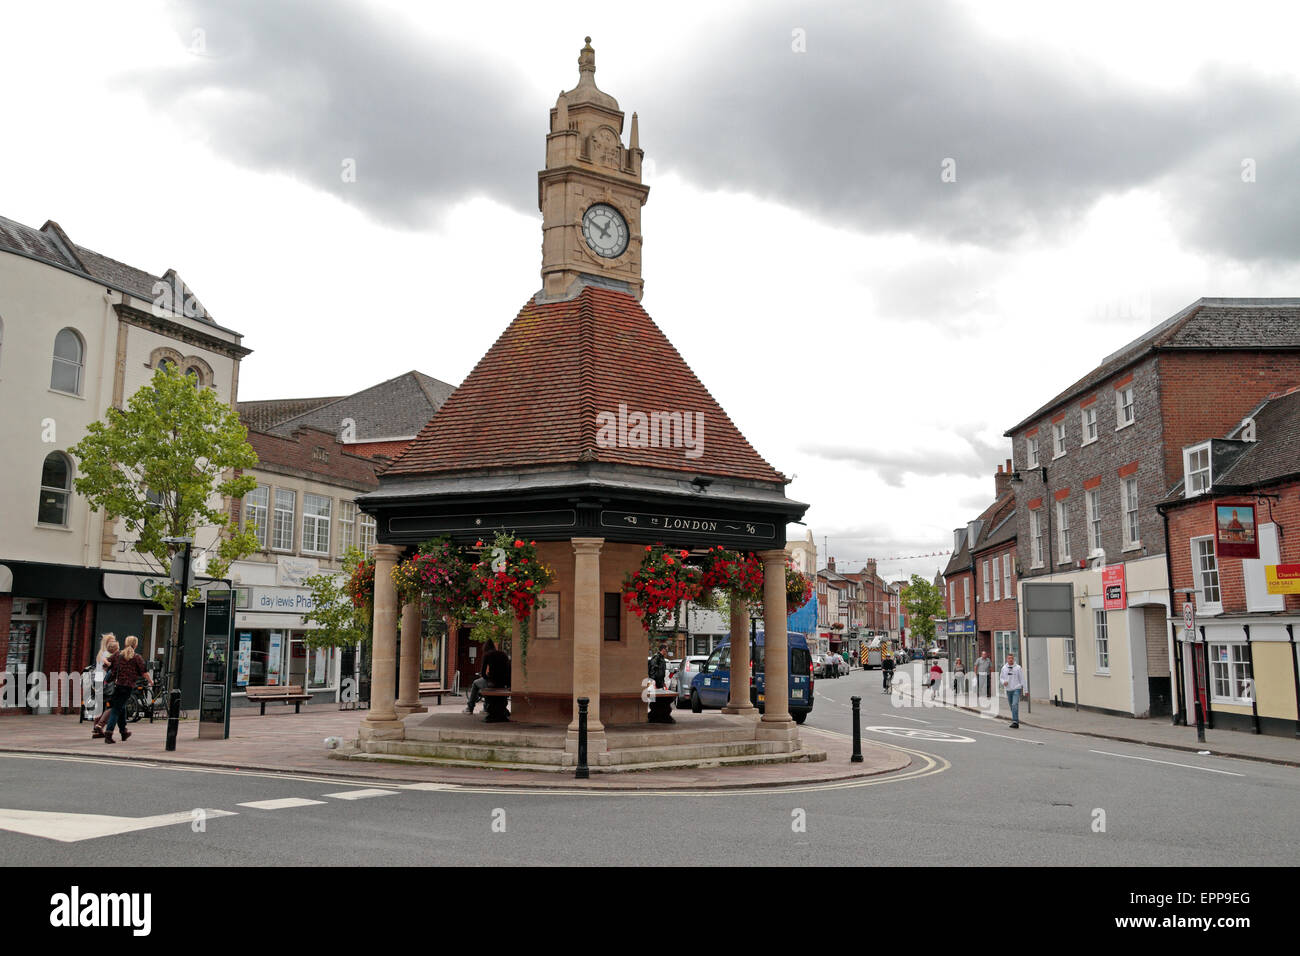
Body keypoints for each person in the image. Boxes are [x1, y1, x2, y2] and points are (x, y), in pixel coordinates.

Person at [104, 636, 149, 744]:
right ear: (136, 645)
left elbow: (105, 664)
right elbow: (144, 672)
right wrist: (151, 681)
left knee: (121, 708)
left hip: (116, 686)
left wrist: (111, 669)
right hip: (127, 687)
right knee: (116, 710)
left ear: (125, 643)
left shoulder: (118, 655)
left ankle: (123, 732)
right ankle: (108, 733)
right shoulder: (136, 657)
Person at [91, 633, 118, 738]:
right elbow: (108, 666)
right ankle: (99, 725)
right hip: (105, 682)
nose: (114, 643)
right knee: (112, 705)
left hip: (97, 681)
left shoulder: (101, 653)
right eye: (112, 641)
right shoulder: (107, 654)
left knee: (100, 706)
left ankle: (96, 729)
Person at [464, 639, 496, 714]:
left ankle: (470, 707)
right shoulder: (501, 654)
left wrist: (487, 677)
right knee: (485, 685)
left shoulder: (487, 655)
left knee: (476, 683)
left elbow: (483, 673)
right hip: (502, 682)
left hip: (492, 681)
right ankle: (486, 707)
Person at [1000, 653, 1026, 728]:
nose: (1010, 659)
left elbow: (1022, 679)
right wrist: (1003, 682)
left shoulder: (1018, 668)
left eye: (1011, 658)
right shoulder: (1004, 668)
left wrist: (1025, 690)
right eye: (1009, 658)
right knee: (1012, 706)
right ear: (1007, 659)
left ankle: (1015, 721)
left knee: (1015, 704)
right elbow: (1001, 678)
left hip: (1016, 689)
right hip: (1009, 690)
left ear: (1013, 659)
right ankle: (1016, 720)